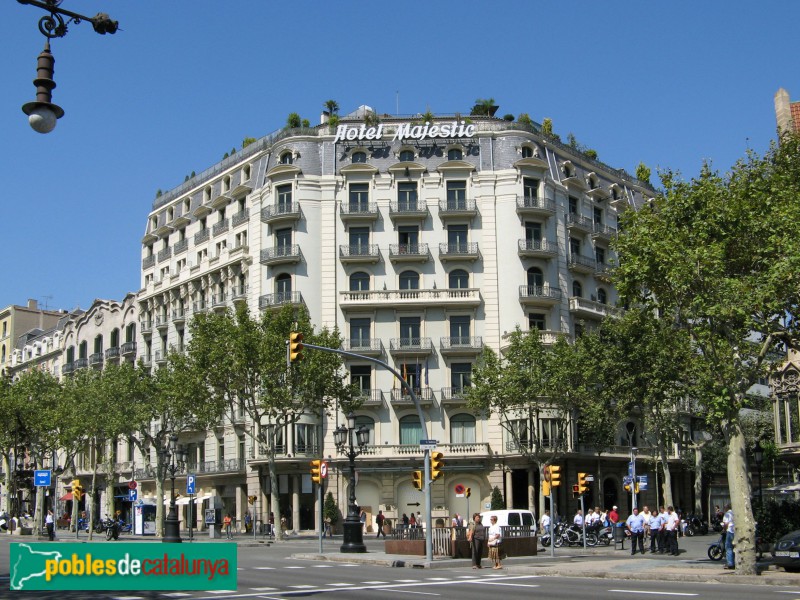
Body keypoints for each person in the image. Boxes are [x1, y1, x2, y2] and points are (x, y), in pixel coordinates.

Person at [722, 503, 735, 569]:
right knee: (735, 547)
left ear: (726, 508)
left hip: (729, 531)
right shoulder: (734, 513)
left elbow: (726, 524)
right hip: (735, 531)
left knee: (728, 547)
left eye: (724, 508)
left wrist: (724, 530)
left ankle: (730, 563)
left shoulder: (727, 514)